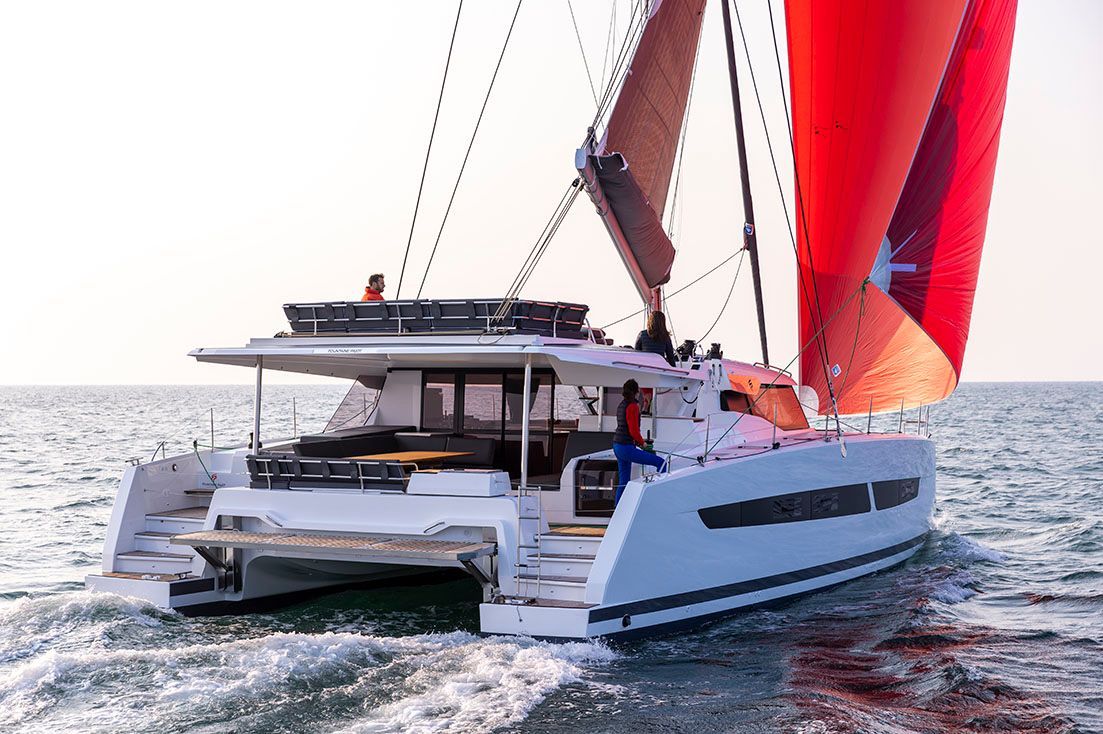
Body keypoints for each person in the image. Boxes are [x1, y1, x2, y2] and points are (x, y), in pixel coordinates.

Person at [612, 379, 666, 505]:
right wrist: (643, 443)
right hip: (626, 448)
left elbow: (624, 427)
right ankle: (661, 498)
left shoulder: (621, 405)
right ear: (637, 392)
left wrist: (637, 441)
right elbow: (633, 431)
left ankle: (618, 508)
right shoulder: (633, 406)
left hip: (617, 446)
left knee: (624, 481)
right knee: (661, 463)